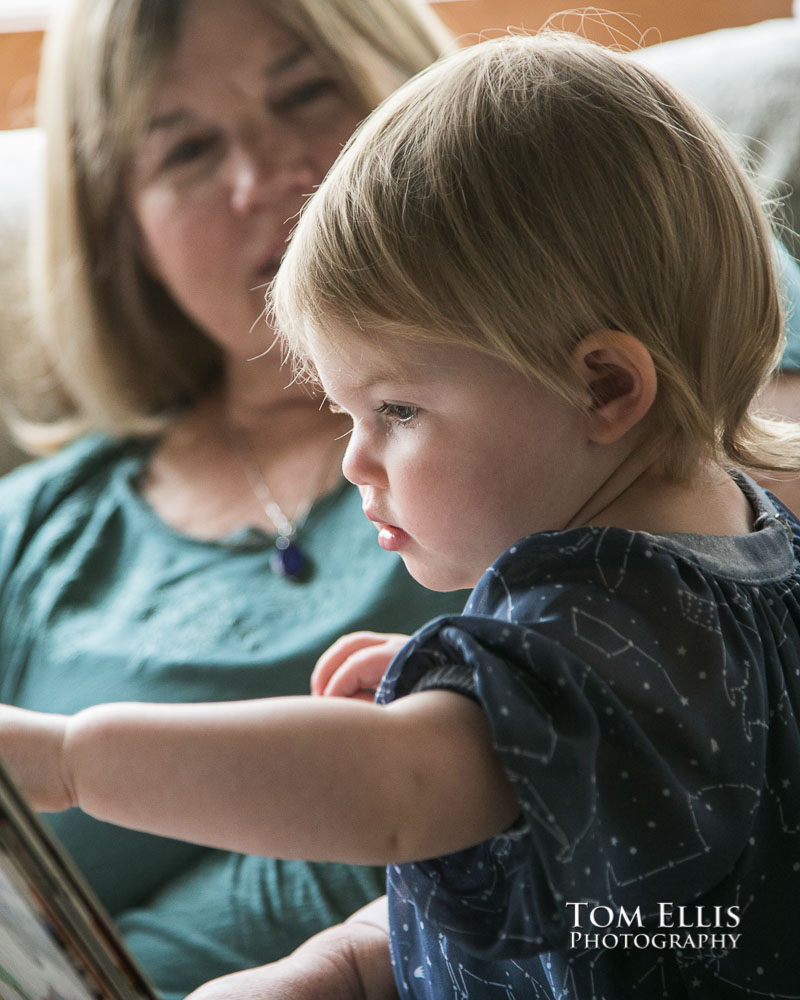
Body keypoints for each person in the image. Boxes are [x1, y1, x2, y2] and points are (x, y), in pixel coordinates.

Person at [2, 31, 800, 999]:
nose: (355, 458)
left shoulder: (607, 626)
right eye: (188, 149)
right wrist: (339, 966)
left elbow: (396, 791)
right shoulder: (744, 560)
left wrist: (65, 759)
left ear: (601, 385)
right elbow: (600, 899)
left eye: (396, 412)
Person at [0, 1, 467, 997]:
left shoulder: (614, 327)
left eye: (306, 95)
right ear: (122, 223)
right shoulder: (36, 530)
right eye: (187, 151)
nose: (268, 182)